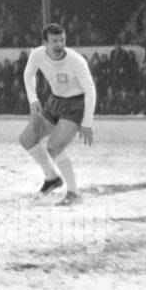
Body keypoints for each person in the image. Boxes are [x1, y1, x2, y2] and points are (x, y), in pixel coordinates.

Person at [19, 24, 96, 205]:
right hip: (55, 101)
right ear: (45, 43)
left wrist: (87, 122)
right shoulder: (37, 55)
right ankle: (52, 178)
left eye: (62, 40)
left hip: (76, 104)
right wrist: (33, 100)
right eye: (54, 41)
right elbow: (28, 74)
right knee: (27, 139)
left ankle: (73, 193)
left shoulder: (76, 61)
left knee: (54, 147)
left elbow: (90, 90)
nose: (59, 44)